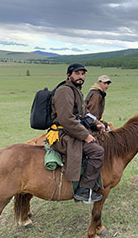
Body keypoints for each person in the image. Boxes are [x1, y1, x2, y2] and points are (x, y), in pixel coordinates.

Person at [51, 63, 105, 203]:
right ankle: (84, 189)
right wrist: (85, 135)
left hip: (71, 131)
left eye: (83, 74)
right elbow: (66, 119)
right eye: (77, 74)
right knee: (97, 152)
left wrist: (96, 123)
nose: (81, 77)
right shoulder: (64, 91)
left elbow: (85, 113)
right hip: (63, 134)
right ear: (69, 75)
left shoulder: (76, 90)